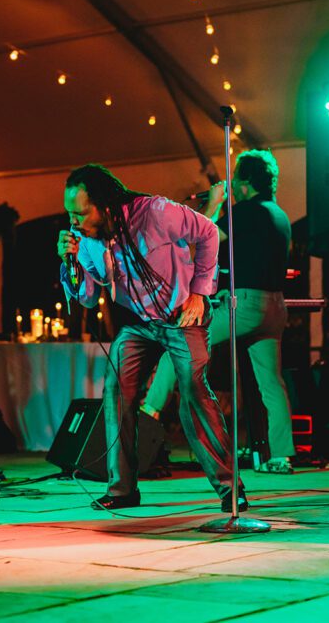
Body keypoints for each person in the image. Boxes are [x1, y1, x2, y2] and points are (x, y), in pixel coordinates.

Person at [56, 163, 244, 511]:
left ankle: (229, 488)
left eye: (80, 212)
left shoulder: (156, 213)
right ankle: (122, 490)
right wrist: (69, 264)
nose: (74, 221)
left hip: (182, 316)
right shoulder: (85, 241)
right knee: (116, 387)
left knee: (192, 390)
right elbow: (84, 297)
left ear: (105, 205)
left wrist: (200, 292)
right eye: (69, 213)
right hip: (141, 323)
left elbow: (209, 233)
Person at [142, 149, 296, 474]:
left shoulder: (246, 211)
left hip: (245, 304)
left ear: (245, 182)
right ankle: (281, 455)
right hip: (275, 307)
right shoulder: (280, 215)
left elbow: (203, 235)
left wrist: (213, 202)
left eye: (236, 178)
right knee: (271, 382)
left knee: (180, 346)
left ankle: (148, 415)